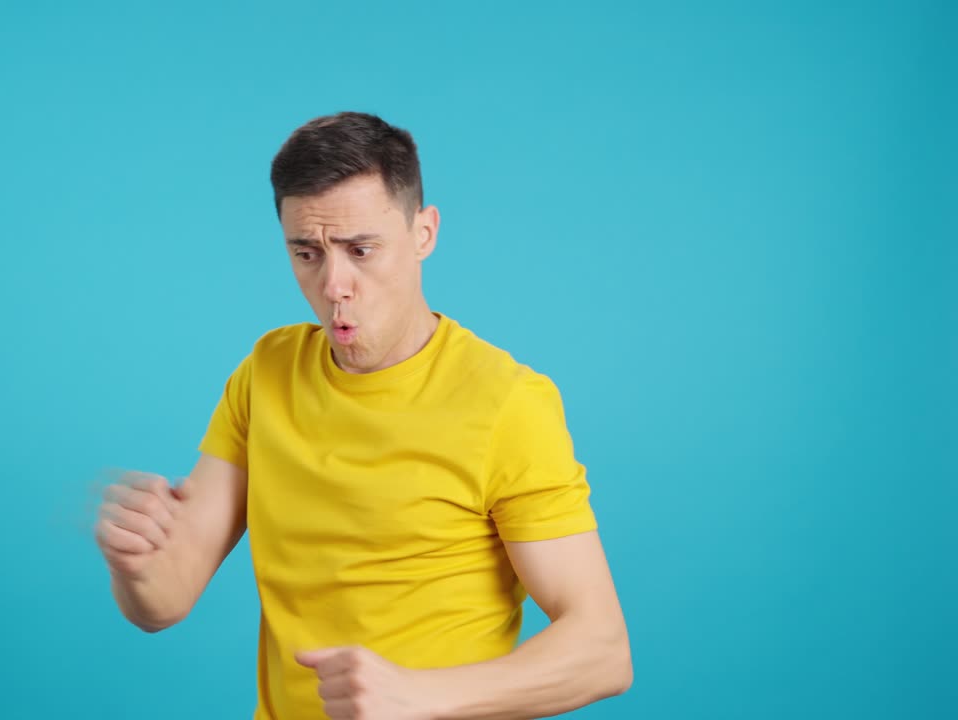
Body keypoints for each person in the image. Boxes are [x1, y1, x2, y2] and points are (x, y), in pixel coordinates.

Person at [97, 112, 632, 719]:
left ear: (424, 233)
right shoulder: (266, 373)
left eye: (361, 249)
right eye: (307, 253)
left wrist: (419, 697)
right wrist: (137, 565)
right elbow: (164, 602)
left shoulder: (507, 402)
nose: (334, 285)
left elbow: (603, 651)